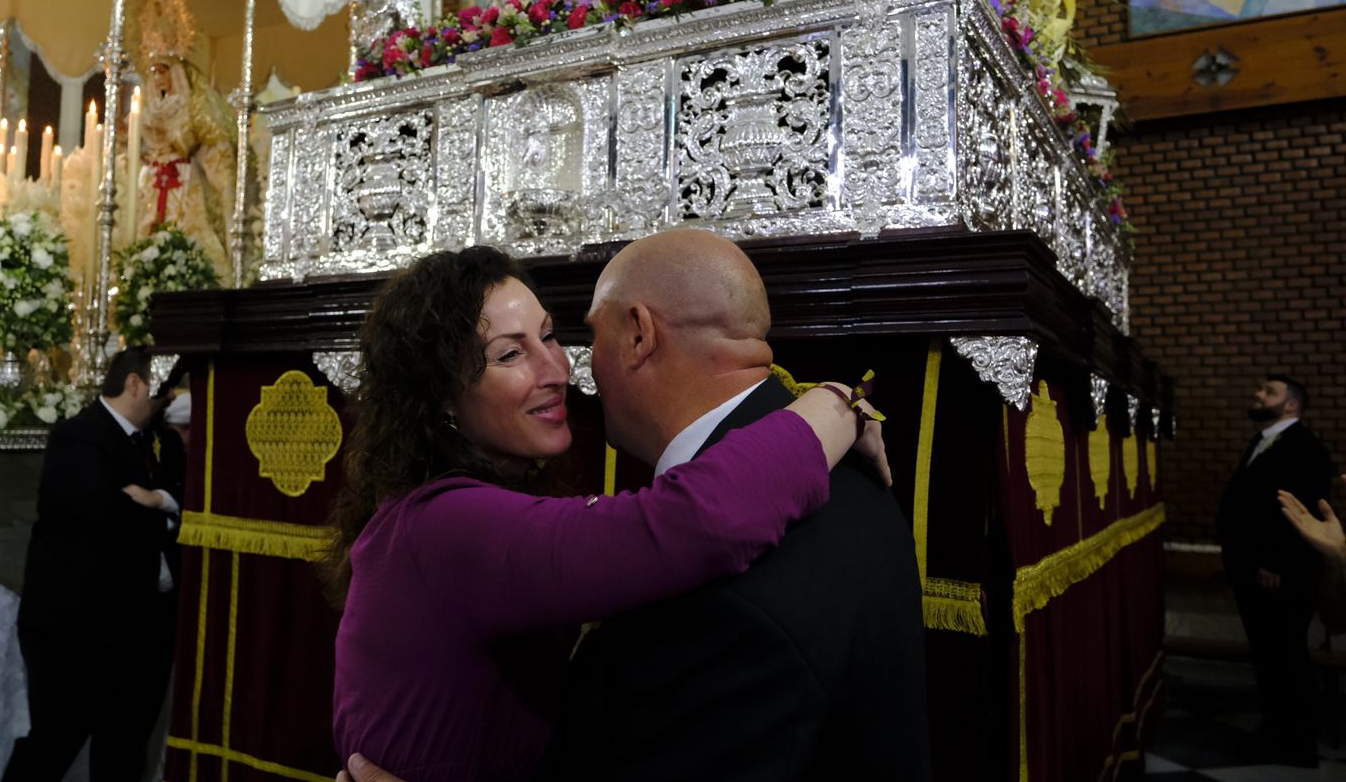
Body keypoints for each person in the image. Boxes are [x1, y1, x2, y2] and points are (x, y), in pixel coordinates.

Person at [339, 230, 929, 782]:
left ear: (641, 334)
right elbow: (688, 521)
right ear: (442, 395)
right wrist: (833, 405)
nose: (560, 371)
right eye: (509, 355)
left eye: (551, 337)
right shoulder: (441, 526)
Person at [3, 348, 185, 782]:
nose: (172, 396)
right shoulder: (78, 436)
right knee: (53, 742)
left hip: (144, 625)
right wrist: (167, 512)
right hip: (77, 631)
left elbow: (192, 495)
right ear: (136, 384)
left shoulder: (165, 442)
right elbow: (102, 514)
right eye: (165, 387)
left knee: (125, 749)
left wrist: (162, 501)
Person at [1216, 374, 1337, 767]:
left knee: (1287, 658)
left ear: (1291, 406)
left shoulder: (1305, 448)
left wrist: (1274, 563)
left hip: (1281, 574)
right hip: (1255, 570)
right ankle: (1274, 732)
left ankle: (1296, 744)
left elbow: (1298, 514)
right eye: (1260, 389)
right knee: (1269, 659)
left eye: (1269, 392)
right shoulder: (1264, 439)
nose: (1258, 393)